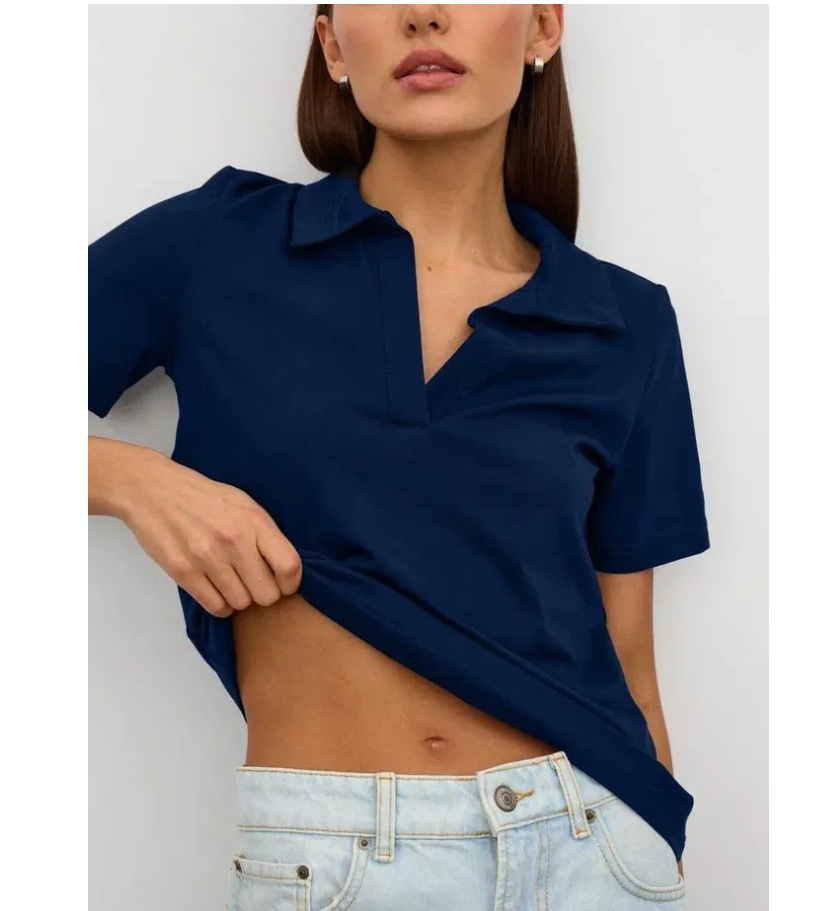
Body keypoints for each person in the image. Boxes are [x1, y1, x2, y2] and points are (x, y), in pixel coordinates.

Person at [88, 5, 710, 908]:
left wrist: (658, 854)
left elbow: (631, 665)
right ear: (333, 44)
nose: (423, 13)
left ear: (541, 28)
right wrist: (129, 478)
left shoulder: (623, 321)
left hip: (596, 848)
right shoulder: (218, 245)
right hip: (330, 855)